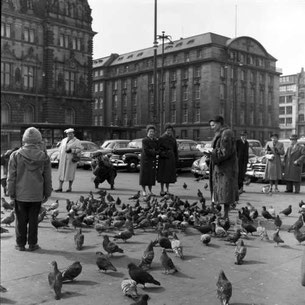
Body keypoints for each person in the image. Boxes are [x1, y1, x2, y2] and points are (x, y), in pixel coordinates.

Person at [7, 127, 52, 251]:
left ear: (24, 140)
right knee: (33, 220)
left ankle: (20, 244)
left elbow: (11, 177)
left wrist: (10, 193)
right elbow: (47, 177)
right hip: (36, 195)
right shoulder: (44, 156)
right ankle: (33, 244)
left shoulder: (15, 155)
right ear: (38, 141)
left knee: (20, 220)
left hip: (20, 194)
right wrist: (47, 192)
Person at [207, 115, 238, 219]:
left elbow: (225, 152)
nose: (212, 127)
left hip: (226, 168)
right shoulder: (220, 133)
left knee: (226, 191)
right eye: (211, 125)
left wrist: (212, 153)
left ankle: (226, 215)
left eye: (213, 125)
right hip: (220, 167)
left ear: (220, 123)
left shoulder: (226, 133)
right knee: (221, 190)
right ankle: (223, 214)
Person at [55, 128, 83, 192]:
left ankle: (69, 187)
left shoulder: (77, 141)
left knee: (70, 173)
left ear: (73, 134)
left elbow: (80, 149)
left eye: (71, 134)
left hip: (71, 160)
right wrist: (58, 158)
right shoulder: (64, 140)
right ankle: (60, 187)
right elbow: (60, 149)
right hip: (62, 159)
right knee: (61, 173)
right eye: (68, 134)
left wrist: (72, 150)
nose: (69, 135)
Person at [157, 124, 178, 196]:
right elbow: (158, 149)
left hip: (171, 159)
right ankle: (162, 190)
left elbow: (175, 150)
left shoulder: (173, 139)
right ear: (165, 130)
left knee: (168, 176)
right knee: (163, 175)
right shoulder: (161, 138)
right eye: (168, 130)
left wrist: (176, 159)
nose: (169, 131)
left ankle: (167, 190)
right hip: (163, 159)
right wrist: (164, 154)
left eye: (170, 130)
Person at [139, 125, 159, 197]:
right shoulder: (145, 140)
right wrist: (154, 151)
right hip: (145, 160)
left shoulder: (155, 140)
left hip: (152, 160)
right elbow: (146, 150)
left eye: (153, 132)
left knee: (151, 177)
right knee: (144, 176)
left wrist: (155, 151)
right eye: (150, 131)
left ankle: (150, 191)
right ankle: (144, 191)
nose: (152, 133)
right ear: (147, 132)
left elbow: (157, 149)